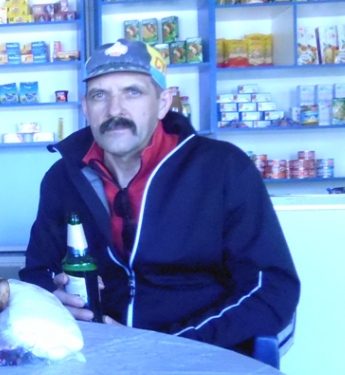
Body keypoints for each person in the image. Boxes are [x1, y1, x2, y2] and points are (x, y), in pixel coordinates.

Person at [19, 39, 300, 355]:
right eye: (100, 95)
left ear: (164, 103)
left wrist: (162, 347)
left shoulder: (223, 169)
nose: (115, 110)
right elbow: (36, 273)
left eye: (133, 92)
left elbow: (272, 289)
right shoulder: (63, 179)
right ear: (86, 108)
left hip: (200, 357)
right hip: (95, 355)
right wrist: (50, 298)